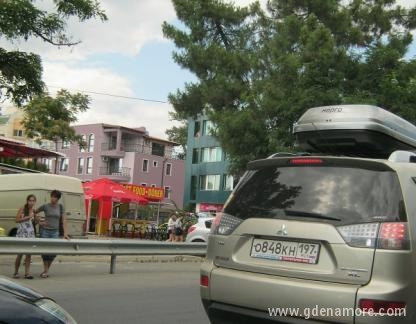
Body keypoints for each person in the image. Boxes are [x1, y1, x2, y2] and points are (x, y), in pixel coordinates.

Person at [35, 190, 69, 278]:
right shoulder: (46, 206)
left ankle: (46, 270)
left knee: (53, 252)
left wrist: (65, 233)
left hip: (55, 232)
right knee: (45, 252)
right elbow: (34, 212)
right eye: (52, 196)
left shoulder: (60, 207)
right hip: (45, 231)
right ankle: (46, 271)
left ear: (58, 199)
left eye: (55, 197)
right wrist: (39, 221)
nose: (53, 199)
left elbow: (64, 220)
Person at [13, 194, 37, 279]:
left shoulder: (34, 210)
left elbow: (33, 222)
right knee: (20, 254)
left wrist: (40, 221)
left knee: (28, 255)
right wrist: (27, 217)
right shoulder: (22, 208)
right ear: (27, 201)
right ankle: (16, 272)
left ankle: (27, 273)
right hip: (22, 233)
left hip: (30, 234)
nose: (31, 202)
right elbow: (16, 220)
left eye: (33, 201)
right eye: (30, 200)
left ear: (35, 202)